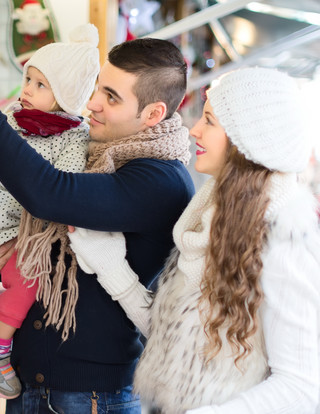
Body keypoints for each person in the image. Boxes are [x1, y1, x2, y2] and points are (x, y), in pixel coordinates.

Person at [0, 34, 195, 412]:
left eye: (111, 97)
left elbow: (50, 195)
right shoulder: (93, 151)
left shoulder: (158, 180)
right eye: (97, 88)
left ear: (153, 114)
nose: (91, 103)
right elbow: (50, 255)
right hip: (35, 382)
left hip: (89, 395)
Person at [68, 67, 320, 413]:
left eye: (210, 121)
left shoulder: (283, 239)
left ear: (247, 139)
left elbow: (301, 386)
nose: (195, 130)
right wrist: (111, 266)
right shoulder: (214, 218)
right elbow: (175, 339)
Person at [0, 24, 100, 400]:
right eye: (28, 79)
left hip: (31, 235)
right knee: (28, 278)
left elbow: (65, 185)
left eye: (40, 85)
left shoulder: (75, 137)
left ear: (67, 96)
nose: (26, 89)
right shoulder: (7, 123)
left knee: (34, 276)